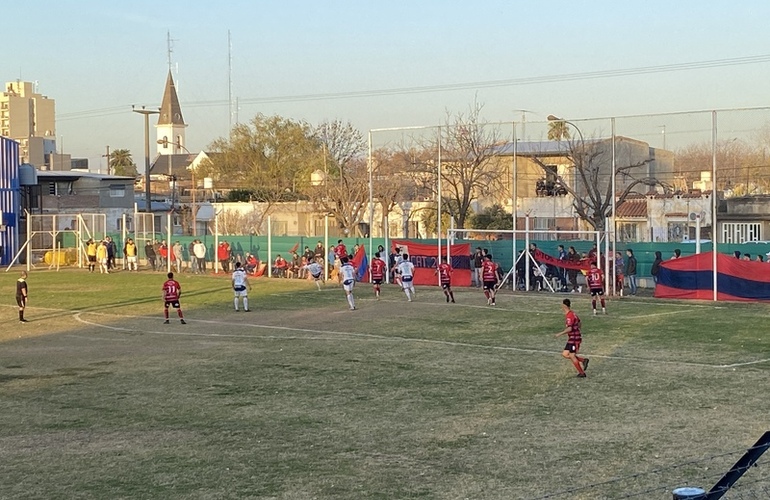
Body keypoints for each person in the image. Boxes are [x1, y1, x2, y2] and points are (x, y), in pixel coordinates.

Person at [554, 298, 588, 378]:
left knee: (572, 355)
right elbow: (579, 322)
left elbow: (569, 329)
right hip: (572, 338)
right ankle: (583, 360)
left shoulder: (570, 316)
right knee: (565, 354)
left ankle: (582, 373)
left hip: (574, 339)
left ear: (564, 305)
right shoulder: (573, 313)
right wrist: (578, 329)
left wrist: (559, 334)